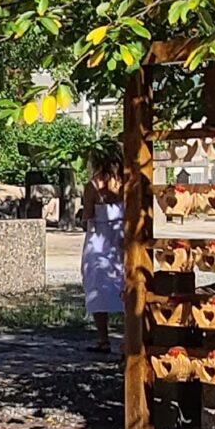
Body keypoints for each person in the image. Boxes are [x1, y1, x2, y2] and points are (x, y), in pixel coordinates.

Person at [79, 142, 125, 355]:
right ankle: (131, 337)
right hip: (121, 239)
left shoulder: (93, 186)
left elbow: (87, 216)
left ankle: (103, 339)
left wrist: (82, 217)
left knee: (97, 285)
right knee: (125, 284)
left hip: (99, 241)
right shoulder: (126, 184)